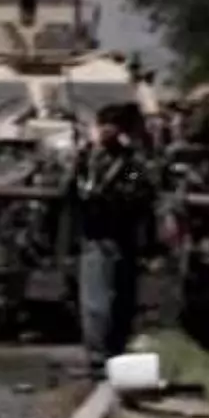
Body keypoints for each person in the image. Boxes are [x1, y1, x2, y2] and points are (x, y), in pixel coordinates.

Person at [74, 101, 158, 378]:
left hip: (122, 236)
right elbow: (71, 187)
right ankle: (99, 358)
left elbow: (140, 188)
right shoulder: (87, 159)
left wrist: (117, 192)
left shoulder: (130, 164)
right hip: (96, 235)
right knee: (96, 302)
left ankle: (114, 354)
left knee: (120, 300)